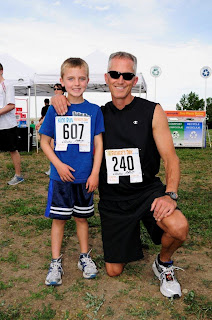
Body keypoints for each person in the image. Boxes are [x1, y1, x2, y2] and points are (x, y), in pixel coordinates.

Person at [50, 52, 189, 298]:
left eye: (127, 75)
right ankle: (129, 234)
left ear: (134, 80)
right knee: (113, 270)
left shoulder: (152, 111)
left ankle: (164, 264)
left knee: (179, 227)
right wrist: (58, 97)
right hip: (114, 199)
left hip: (147, 192)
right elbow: (74, 110)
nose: (120, 80)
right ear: (106, 78)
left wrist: (170, 194)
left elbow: (170, 158)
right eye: (115, 74)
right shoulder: (99, 114)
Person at [39, 57, 105, 286]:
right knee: (58, 219)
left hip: (85, 177)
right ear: (62, 81)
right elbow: (44, 141)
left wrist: (95, 172)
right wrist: (57, 164)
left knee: (82, 218)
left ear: (88, 80)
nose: (76, 83)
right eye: (71, 78)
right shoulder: (55, 109)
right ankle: (55, 262)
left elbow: (99, 144)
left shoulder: (94, 111)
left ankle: (84, 257)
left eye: (81, 78)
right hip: (60, 177)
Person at [0, 63, 24, 185]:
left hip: (7, 124)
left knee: (12, 150)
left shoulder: (7, 84)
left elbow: (11, 105)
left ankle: (18, 175)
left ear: (1, 70)